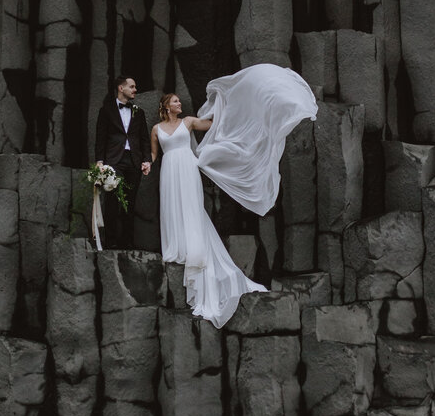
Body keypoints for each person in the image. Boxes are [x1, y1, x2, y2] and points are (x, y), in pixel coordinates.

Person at [150, 64, 318, 328]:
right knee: (172, 209)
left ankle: (195, 251)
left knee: (192, 209)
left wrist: (233, 107)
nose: (179, 103)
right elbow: (154, 155)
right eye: (175, 101)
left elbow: (213, 125)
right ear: (166, 106)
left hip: (187, 169)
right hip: (169, 171)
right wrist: (147, 164)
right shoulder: (156, 129)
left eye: (179, 100)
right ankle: (176, 247)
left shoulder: (189, 122)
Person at [94, 74, 151, 248]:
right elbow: (100, 138)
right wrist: (99, 161)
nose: (135, 90)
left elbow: (144, 139)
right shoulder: (106, 110)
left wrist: (147, 160)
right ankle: (110, 242)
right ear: (121, 88)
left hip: (134, 160)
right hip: (113, 160)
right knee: (112, 201)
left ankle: (128, 242)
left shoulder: (138, 112)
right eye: (132, 87)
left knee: (130, 202)